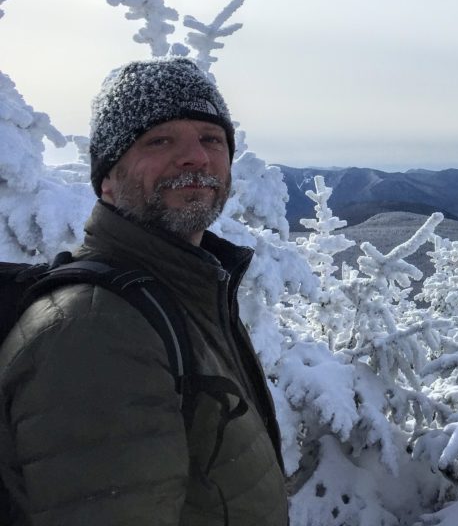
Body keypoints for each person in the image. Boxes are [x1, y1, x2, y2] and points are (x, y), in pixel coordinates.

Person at [0, 58, 288, 526]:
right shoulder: (94, 329)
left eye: (211, 139)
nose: (196, 156)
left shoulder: (184, 294)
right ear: (108, 180)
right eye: (161, 139)